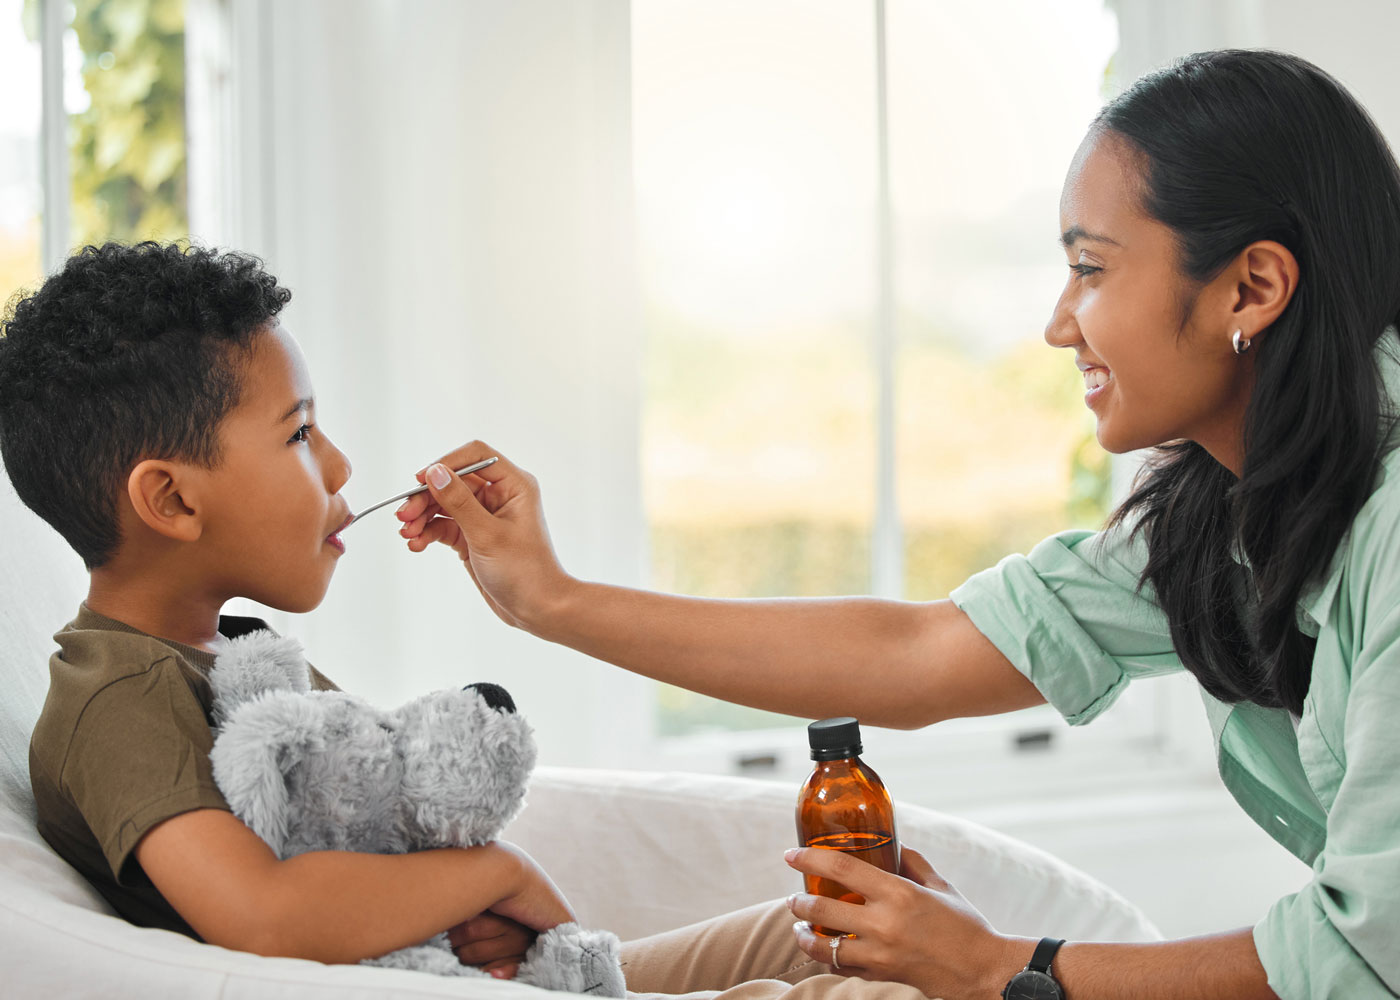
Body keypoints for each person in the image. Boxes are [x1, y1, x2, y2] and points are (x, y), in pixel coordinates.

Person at [396, 50, 1400, 1000]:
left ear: (1250, 287)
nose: (1058, 324)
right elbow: (919, 651)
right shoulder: (1217, 510)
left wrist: (1005, 967)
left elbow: (1360, 950)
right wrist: (549, 600)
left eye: (1091, 269)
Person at [0, 242, 575, 975]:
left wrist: (466, 915)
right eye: (299, 433)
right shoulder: (119, 700)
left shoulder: (242, 654)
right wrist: (502, 875)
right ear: (173, 500)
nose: (339, 466)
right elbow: (262, 914)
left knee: (763, 951)